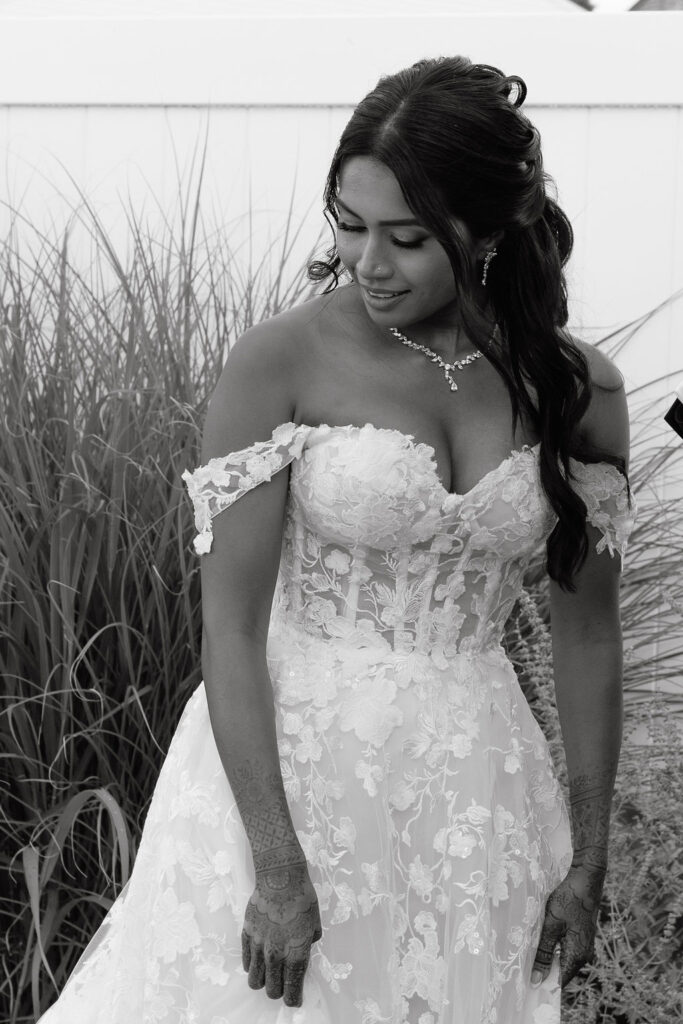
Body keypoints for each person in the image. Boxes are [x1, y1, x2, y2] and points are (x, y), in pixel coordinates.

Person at [38, 56, 635, 1024]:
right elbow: (228, 628)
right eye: (348, 225)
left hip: (474, 788)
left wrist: (588, 854)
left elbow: (587, 636)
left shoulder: (574, 388)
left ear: (488, 232)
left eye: (404, 238)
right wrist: (274, 866)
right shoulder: (280, 358)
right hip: (289, 774)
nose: (367, 263)